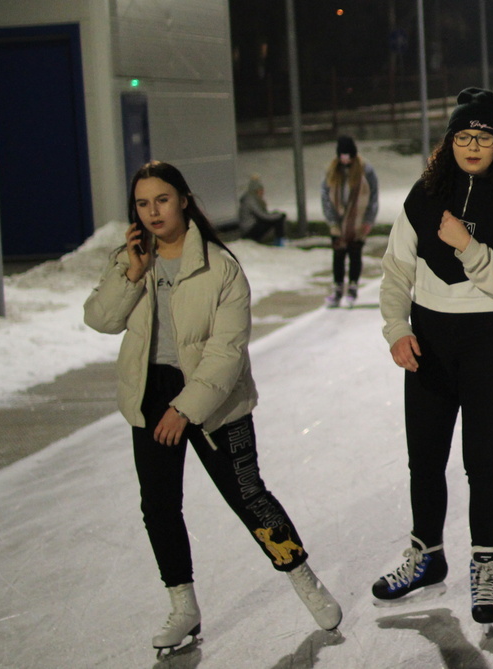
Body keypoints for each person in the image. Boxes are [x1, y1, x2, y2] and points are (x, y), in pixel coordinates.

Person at [83, 161, 341, 656]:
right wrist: (130, 274)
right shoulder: (131, 258)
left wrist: (185, 409)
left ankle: (302, 577)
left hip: (215, 399)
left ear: (183, 199)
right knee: (158, 506)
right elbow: (100, 318)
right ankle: (183, 606)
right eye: (142, 203)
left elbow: (227, 353)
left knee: (248, 496)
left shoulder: (221, 267)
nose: (153, 211)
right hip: (147, 393)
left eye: (162, 199)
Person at [373, 87, 493, 624]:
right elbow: (397, 270)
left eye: (483, 137)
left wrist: (467, 248)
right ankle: (427, 557)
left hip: (490, 343)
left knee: (483, 463)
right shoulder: (424, 196)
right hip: (430, 342)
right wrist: (397, 328)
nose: (472, 145)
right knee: (424, 458)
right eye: (463, 136)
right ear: (450, 142)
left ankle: (485, 567)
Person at [322, 135, 378, 308]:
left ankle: (353, 287)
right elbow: (325, 196)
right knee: (338, 254)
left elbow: (373, 196)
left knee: (355, 253)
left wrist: (369, 220)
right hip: (337, 220)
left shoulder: (365, 170)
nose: (345, 159)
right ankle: (338, 288)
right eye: (342, 156)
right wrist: (332, 220)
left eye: (348, 155)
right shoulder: (332, 171)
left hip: (358, 221)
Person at [237, 174, 286, 245]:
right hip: (249, 231)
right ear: (256, 190)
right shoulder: (250, 200)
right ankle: (279, 242)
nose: (263, 192)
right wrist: (278, 216)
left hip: (251, 227)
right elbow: (262, 215)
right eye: (261, 190)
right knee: (278, 219)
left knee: (277, 216)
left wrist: (276, 214)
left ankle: (280, 240)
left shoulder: (253, 198)